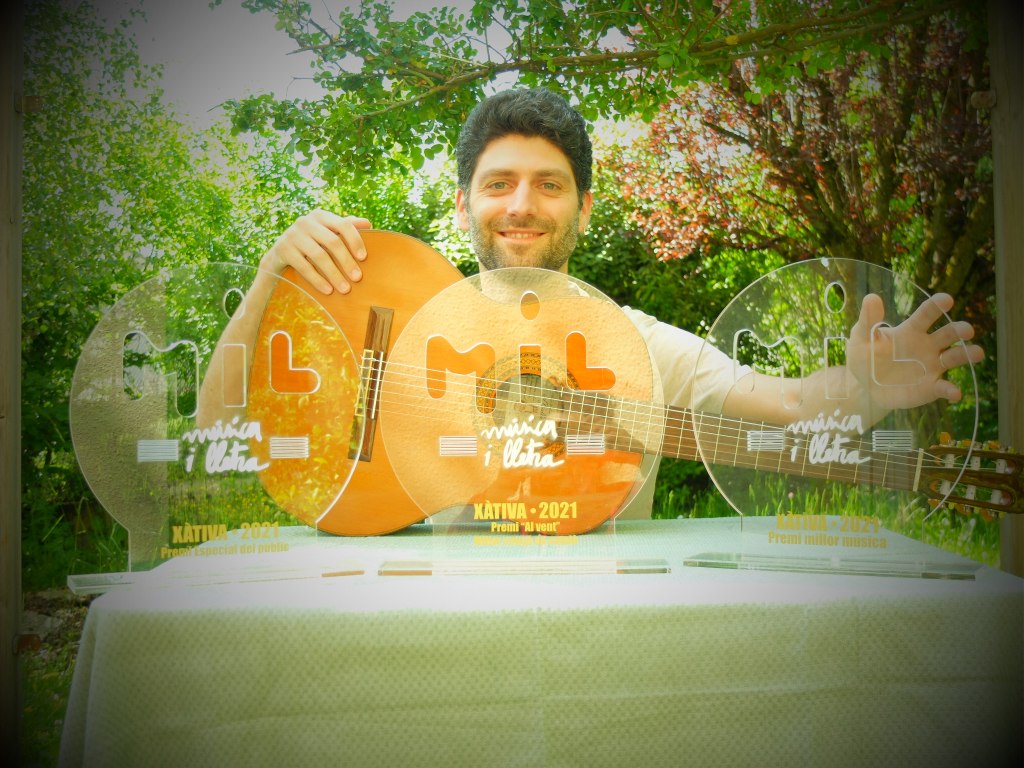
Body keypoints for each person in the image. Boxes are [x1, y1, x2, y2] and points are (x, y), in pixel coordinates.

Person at [203, 86, 984, 519]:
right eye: (499, 184)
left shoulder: (637, 345)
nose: (521, 205)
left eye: (549, 185)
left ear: (583, 209)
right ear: (464, 205)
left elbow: (789, 405)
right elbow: (218, 431)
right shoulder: (388, 312)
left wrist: (864, 390)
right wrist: (269, 284)